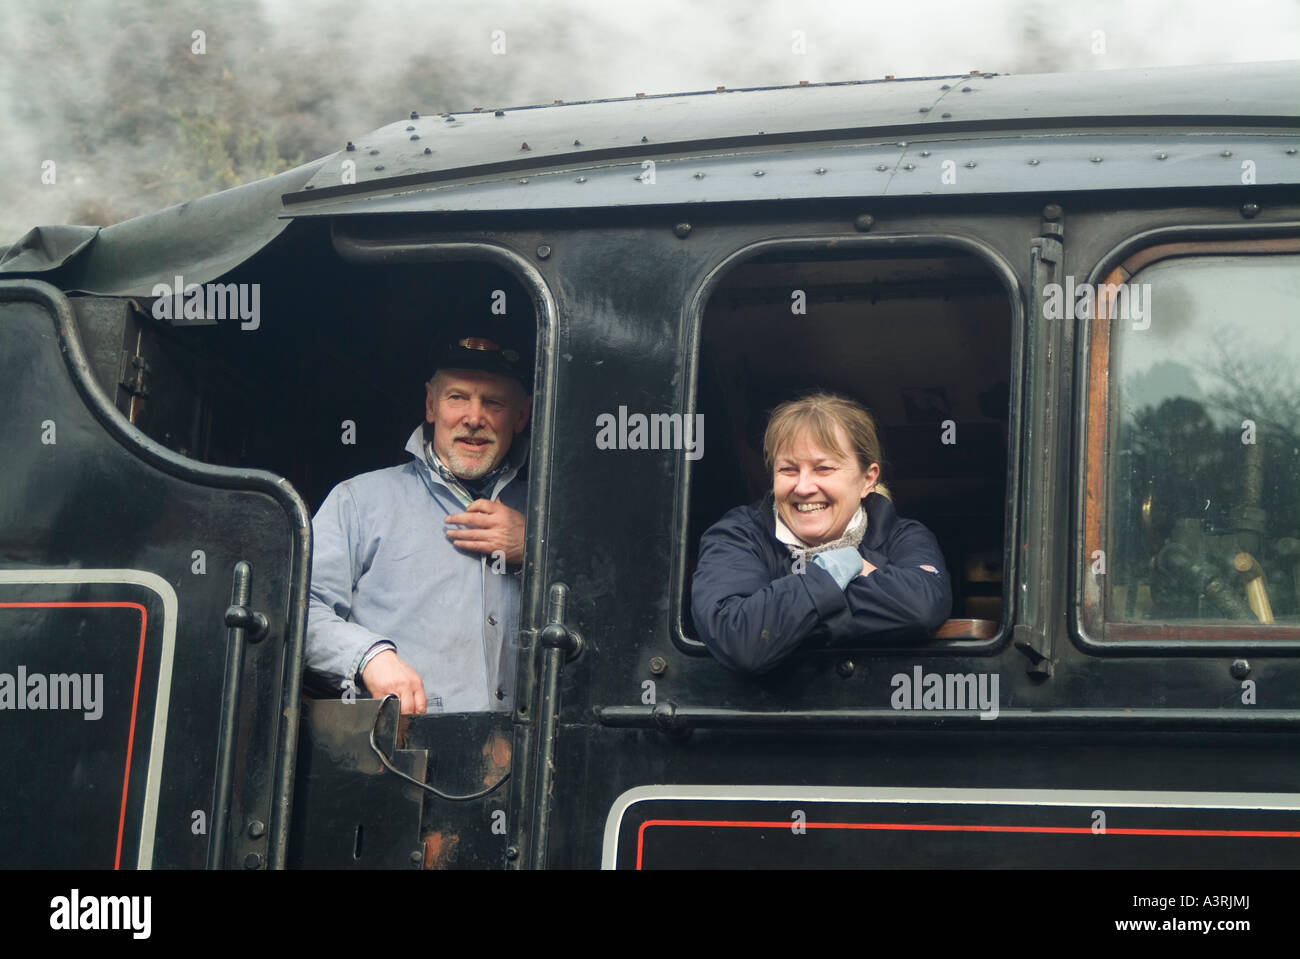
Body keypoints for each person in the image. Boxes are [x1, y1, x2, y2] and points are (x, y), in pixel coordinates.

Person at [306, 335, 532, 714]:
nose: (473, 418)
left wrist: (540, 547)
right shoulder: (359, 501)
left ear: (521, 416)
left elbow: (612, 618)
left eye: (493, 402)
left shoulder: (551, 514)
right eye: (457, 397)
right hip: (395, 757)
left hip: (531, 761)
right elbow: (296, 609)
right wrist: (368, 657)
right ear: (431, 405)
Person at [691, 392, 951, 674]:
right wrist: (839, 566)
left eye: (824, 469)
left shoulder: (904, 536)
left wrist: (786, 622)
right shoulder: (737, 535)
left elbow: (918, 608)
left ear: (867, 479)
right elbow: (740, 638)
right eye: (788, 470)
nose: (803, 487)